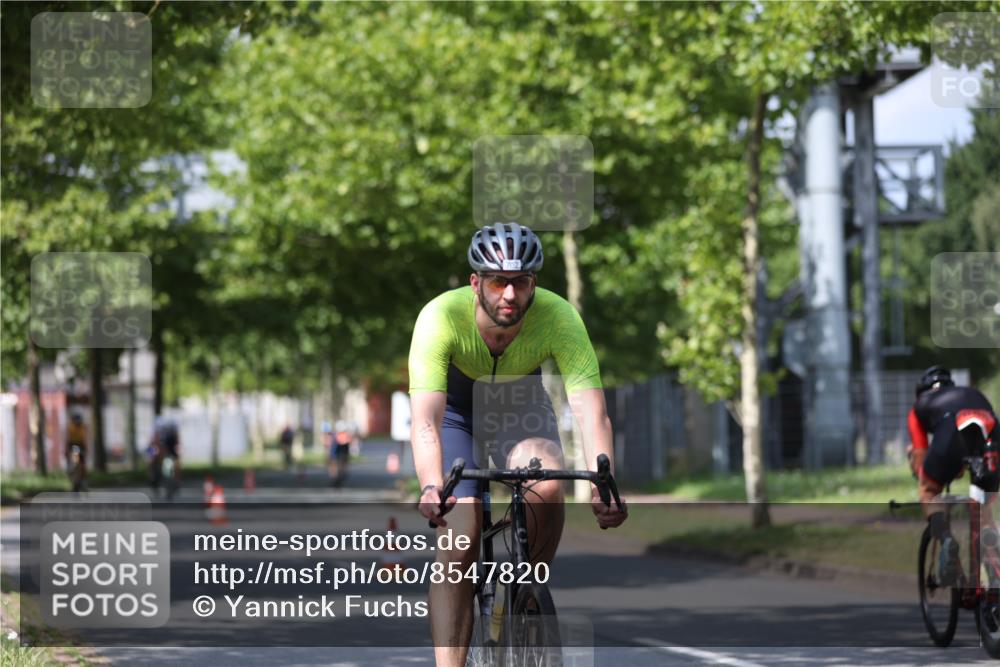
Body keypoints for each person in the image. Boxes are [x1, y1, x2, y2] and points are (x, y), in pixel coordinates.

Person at [408, 222, 628, 667]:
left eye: (521, 282)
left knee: (546, 484)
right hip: (456, 415)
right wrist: (432, 485)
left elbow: (591, 412)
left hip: (520, 409)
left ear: (534, 284)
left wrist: (603, 486)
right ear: (475, 283)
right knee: (460, 538)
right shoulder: (440, 317)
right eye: (497, 282)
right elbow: (426, 419)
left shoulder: (559, 316)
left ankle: (528, 589)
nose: (509, 295)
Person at [907, 365, 999, 585]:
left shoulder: (919, 406)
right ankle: (995, 572)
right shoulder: (971, 393)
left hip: (951, 433)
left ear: (921, 392)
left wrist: (920, 469)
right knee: (983, 508)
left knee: (928, 490)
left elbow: (920, 458)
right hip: (992, 432)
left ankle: (946, 539)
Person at [150, 415, 181, 497]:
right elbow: (154, 442)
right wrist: (156, 450)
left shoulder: (173, 430)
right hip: (158, 446)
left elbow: (177, 442)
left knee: (177, 463)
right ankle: (153, 476)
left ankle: (177, 482)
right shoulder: (157, 430)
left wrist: (178, 449)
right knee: (152, 458)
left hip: (170, 447)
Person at [65, 411, 88, 492]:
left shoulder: (82, 427)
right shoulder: (71, 428)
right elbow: (68, 440)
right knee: (74, 464)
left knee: (82, 464)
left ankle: (82, 480)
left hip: (80, 446)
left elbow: (84, 439)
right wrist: (67, 449)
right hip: (73, 446)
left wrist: (85, 449)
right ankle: (74, 481)